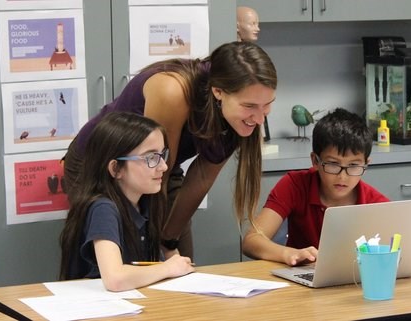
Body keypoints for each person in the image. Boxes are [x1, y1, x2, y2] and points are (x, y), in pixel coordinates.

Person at [63, 41, 277, 261]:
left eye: (268, 104)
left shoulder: (237, 116)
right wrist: (156, 250)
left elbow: (201, 176)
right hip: (103, 163)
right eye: (250, 106)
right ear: (218, 92)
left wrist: (169, 240)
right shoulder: (173, 90)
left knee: (180, 260)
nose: (260, 118)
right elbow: (156, 168)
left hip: (161, 164)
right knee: (126, 258)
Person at [59, 112, 195, 291]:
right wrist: (168, 267)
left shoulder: (147, 202)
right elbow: (115, 279)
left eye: (163, 155)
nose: (164, 166)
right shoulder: (103, 208)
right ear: (116, 168)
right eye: (151, 158)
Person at [242, 108, 389, 266]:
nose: (343, 176)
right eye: (333, 164)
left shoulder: (377, 203)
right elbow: (251, 241)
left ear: (366, 164)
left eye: (353, 166)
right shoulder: (294, 185)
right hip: (299, 279)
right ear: (315, 161)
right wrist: (288, 253)